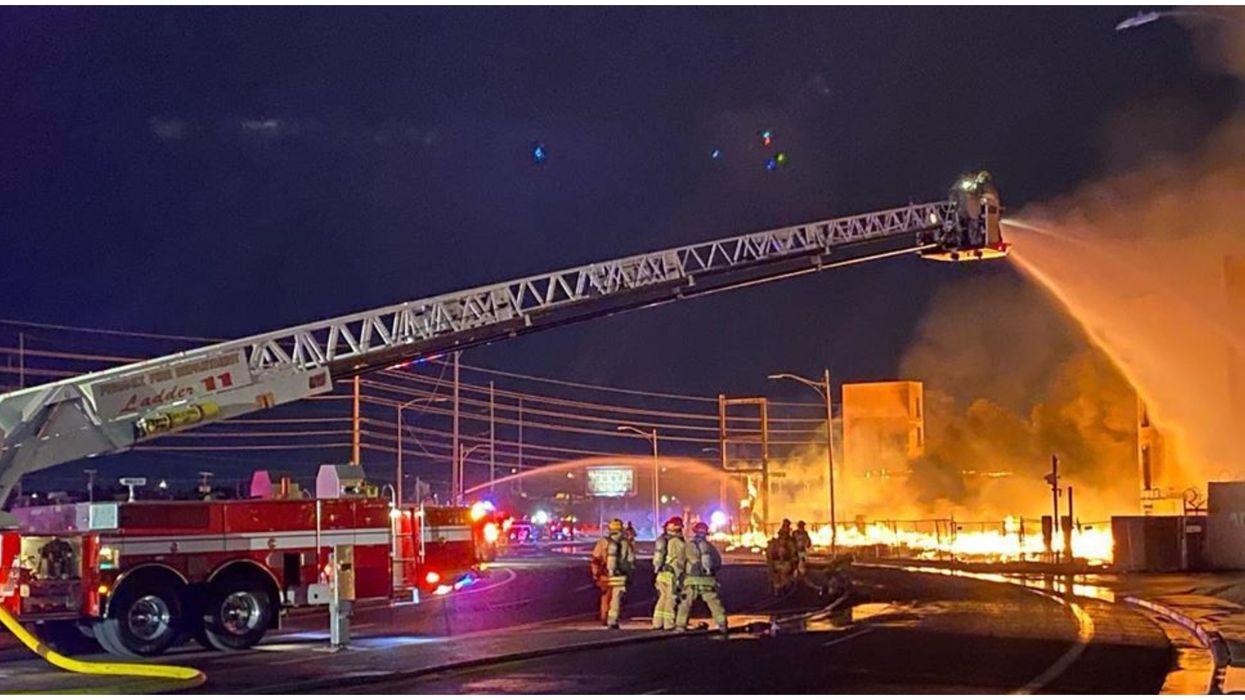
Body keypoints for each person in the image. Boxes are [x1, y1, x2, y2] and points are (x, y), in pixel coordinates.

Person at [675, 521, 728, 636]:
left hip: (691, 581)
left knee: (685, 604)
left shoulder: (688, 546)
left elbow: (680, 563)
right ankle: (722, 624)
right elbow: (718, 563)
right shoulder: (710, 547)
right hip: (708, 581)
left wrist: (681, 576)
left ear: (694, 532)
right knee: (715, 604)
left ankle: (680, 627)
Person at [591, 518, 636, 628]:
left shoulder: (603, 542)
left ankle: (604, 618)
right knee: (616, 599)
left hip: (605, 575)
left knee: (605, 596)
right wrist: (629, 574)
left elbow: (596, 559)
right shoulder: (626, 542)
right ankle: (613, 621)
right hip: (620, 576)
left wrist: (596, 574)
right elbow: (630, 561)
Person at [651, 516, 686, 631]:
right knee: (671, 599)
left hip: (661, 574)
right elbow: (681, 560)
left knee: (662, 598)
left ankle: (657, 623)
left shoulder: (663, 539)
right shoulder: (677, 542)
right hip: (672, 574)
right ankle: (668, 624)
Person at [766, 524, 796, 595]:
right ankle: (777, 591)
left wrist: (793, 566)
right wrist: (770, 566)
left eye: (784, 536)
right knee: (776, 579)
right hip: (776, 564)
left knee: (784, 579)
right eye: (782, 536)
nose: (783, 539)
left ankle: (783, 591)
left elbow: (794, 555)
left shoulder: (790, 544)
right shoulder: (773, 544)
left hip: (786, 564)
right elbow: (769, 556)